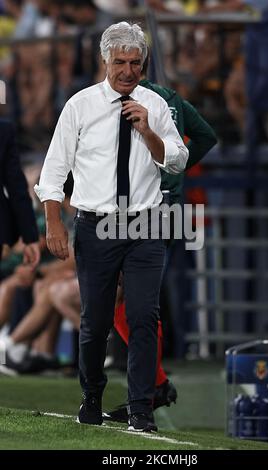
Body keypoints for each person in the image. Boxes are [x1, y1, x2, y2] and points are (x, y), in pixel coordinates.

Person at [34, 21, 188, 433]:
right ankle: (91, 395)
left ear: (144, 63)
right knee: (95, 321)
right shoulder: (79, 105)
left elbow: (177, 159)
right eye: (120, 62)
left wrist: (149, 131)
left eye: (136, 62)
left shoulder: (155, 105)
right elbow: (53, 173)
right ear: (105, 60)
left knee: (143, 317)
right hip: (95, 225)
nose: (128, 70)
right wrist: (54, 224)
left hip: (146, 225)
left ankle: (141, 407)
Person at [105, 56, 217, 422]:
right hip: (169, 208)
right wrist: (179, 165)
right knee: (134, 298)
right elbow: (207, 136)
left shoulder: (128, 101)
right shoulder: (172, 97)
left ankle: (153, 387)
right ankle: (154, 384)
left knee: (129, 299)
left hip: (139, 207)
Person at [0, 120, 40, 267]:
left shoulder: (4, 130)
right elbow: (16, 188)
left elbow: (16, 187)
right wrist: (29, 237)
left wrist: (29, 236)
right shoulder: (4, 129)